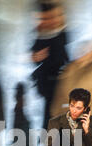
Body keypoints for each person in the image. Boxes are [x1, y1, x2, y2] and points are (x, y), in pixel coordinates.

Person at [30, 1, 69, 130]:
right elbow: (34, 56)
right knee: (51, 109)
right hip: (49, 80)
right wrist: (36, 56)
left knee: (55, 109)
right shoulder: (42, 35)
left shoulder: (61, 33)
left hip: (58, 78)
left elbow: (64, 54)